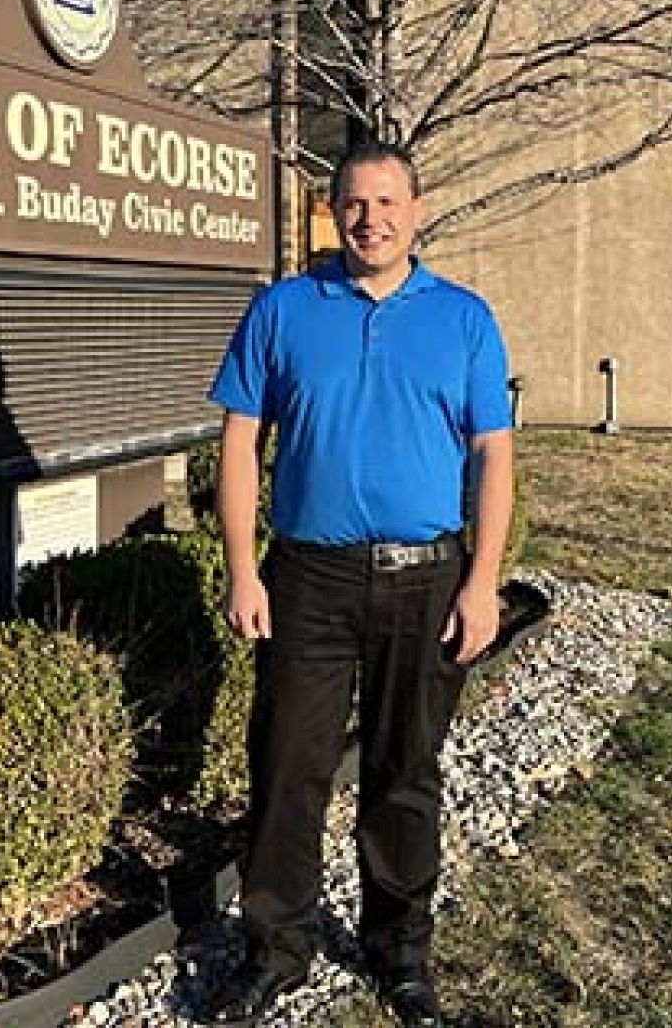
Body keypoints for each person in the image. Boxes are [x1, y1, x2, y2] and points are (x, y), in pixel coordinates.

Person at [202, 141, 514, 1028]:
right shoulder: (284, 310)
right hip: (309, 582)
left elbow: (494, 452)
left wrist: (482, 582)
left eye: (386, 202)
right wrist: (240, 566)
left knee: (405, 773)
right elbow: (238, 442)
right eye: (352, 204)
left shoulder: (463, 319)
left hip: (427, 583)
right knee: (287, 769)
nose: (369, 218)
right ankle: (275, 951)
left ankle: (398, 951)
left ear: (416, 210)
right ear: (331, 214)